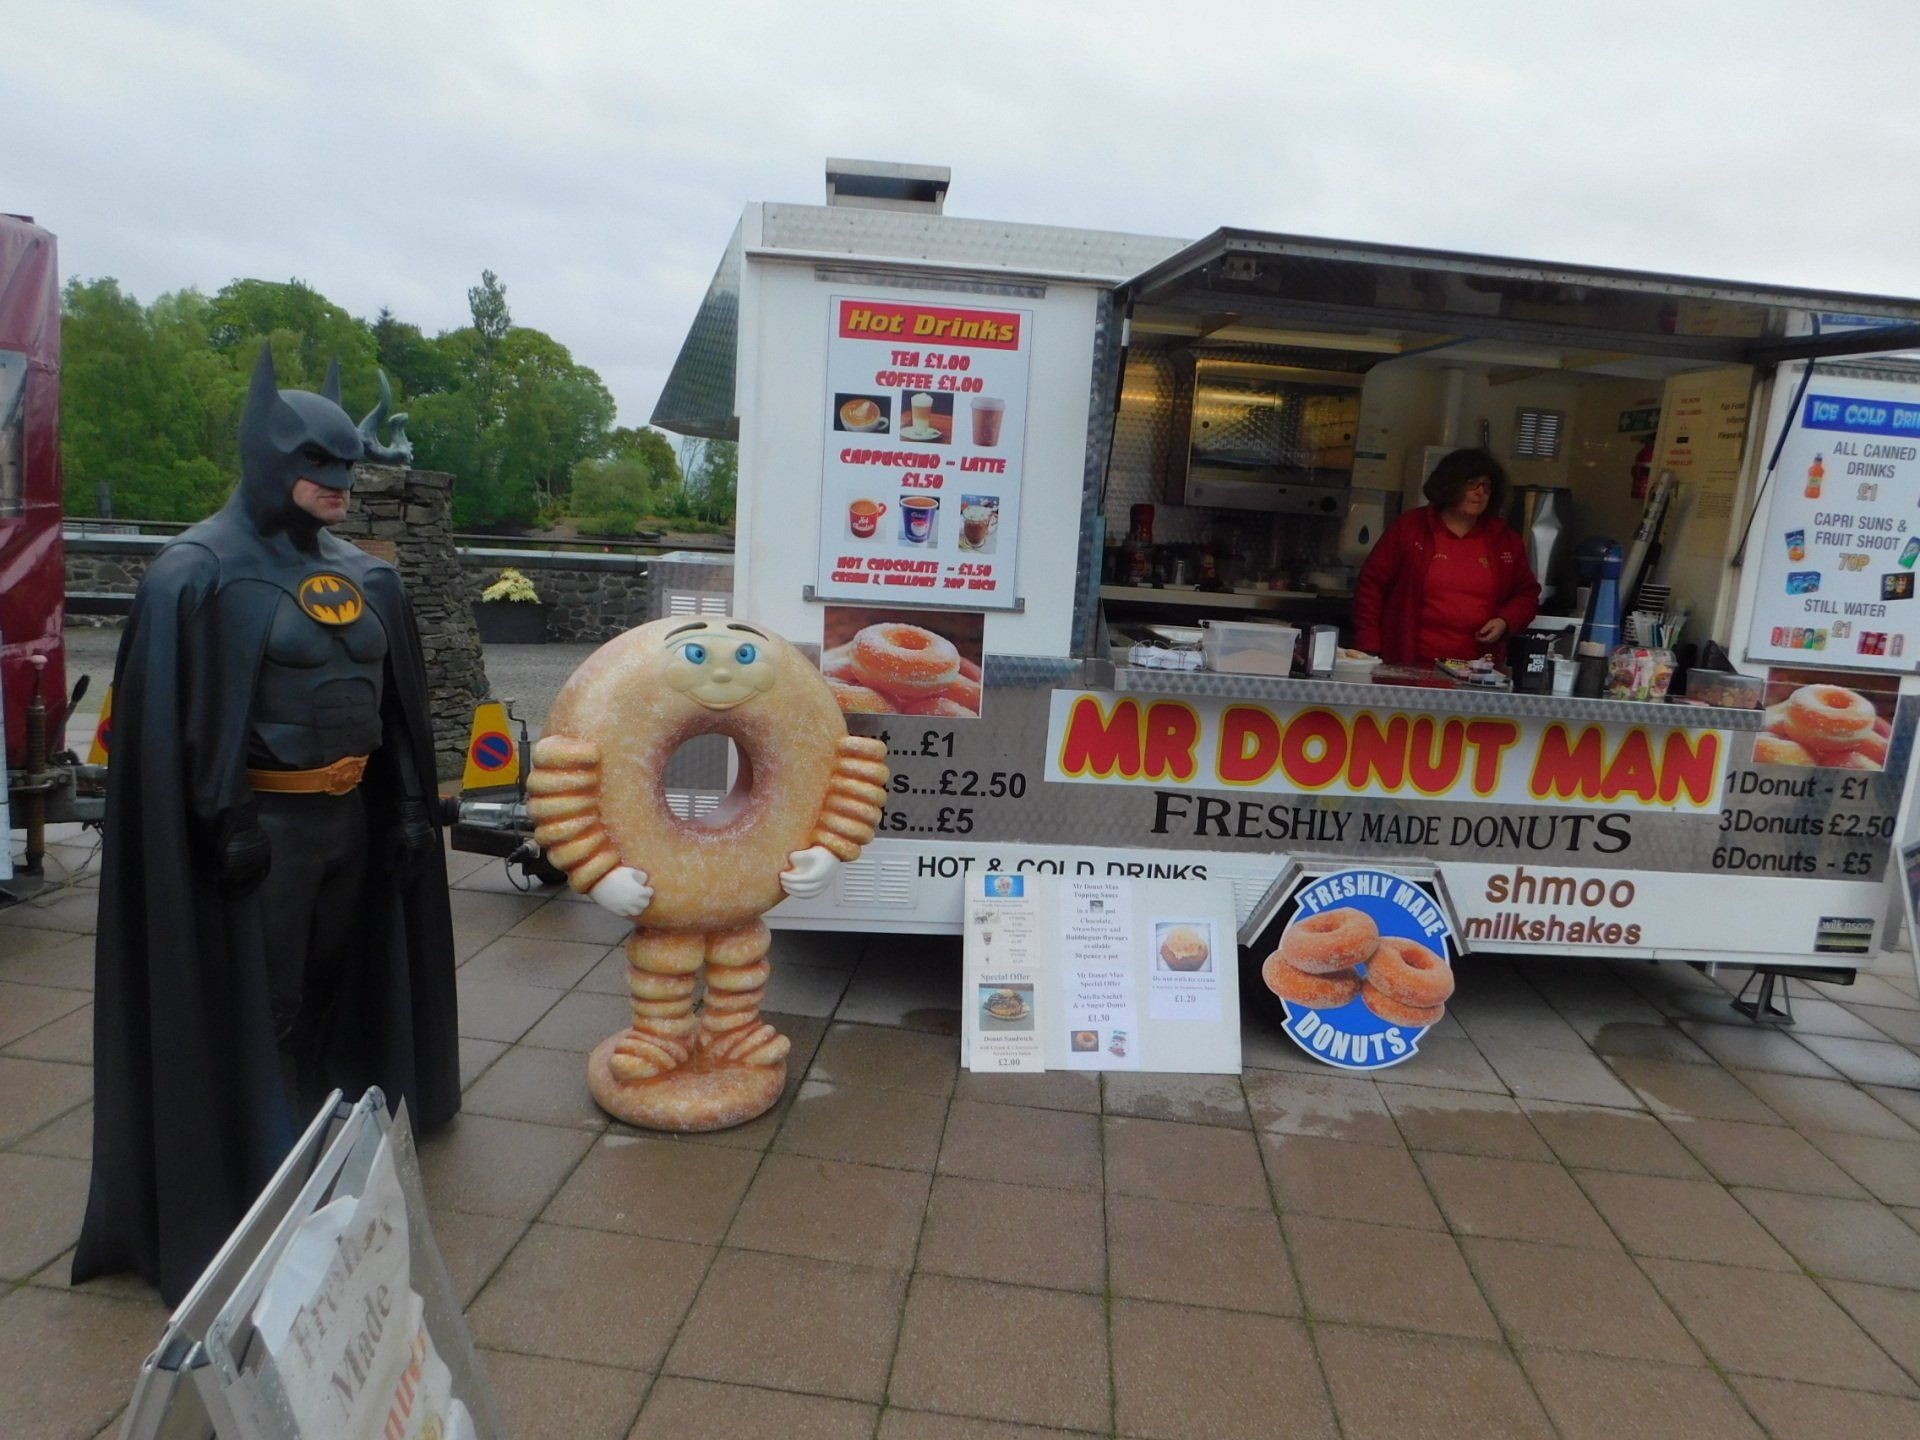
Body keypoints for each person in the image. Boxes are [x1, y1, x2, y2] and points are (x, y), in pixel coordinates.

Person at [74, 345, 460, 1304]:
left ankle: (320, 1129)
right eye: (318, 466)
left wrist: (412, 805)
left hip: (351, 823)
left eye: (347, 466)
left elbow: (400, 706)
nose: (340, 485)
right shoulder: (193, 576)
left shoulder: (370, 580)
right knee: (265, 998)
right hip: (262, 835)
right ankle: (257, 1150)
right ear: (265, 456)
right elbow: (170, 731)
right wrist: (220, 813)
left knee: (335, 988)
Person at [1352, 447, 1541, 667]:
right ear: (1450, 484)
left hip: (1478, 670)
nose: (1480, 492)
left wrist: (1505, 621)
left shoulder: (1505, 540)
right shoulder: (1410, 528)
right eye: (1472, 484)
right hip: (1408, 662)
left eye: (1487, 486)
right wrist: (1368, 647)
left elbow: (1527, 594)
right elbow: (1371, 587)